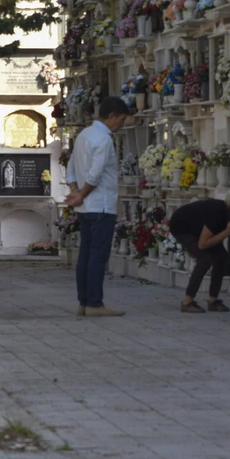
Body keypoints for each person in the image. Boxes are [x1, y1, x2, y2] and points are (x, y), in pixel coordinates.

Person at [65, 96, 133, 317]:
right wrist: (81, 194)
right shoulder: (103, 139)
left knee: (85, 254)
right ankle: (95, 304)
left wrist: (76, 191)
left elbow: (71, 167)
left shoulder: (84, 135)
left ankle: (84, 302)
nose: (121, 124)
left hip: (85, 207)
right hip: (101, 205)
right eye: (121, 120)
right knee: (97, 255)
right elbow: (96, 172)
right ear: (111, 116)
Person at [168, 191, 230, 313]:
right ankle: (187, 302)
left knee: (221, 256)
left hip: (199, 230)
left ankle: (213, 301)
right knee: (206, 258)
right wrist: (227, 232)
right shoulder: (217, 212)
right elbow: (202, 245)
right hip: (182, 226)